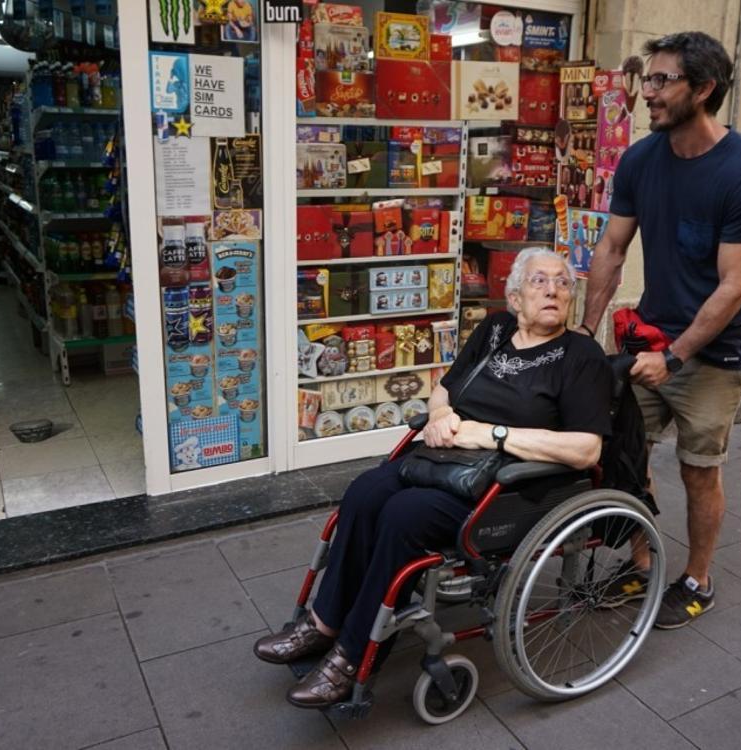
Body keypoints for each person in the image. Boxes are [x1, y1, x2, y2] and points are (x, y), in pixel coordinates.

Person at [255, 248, 614, 708]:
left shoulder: (581, 356)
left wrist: (494, 434)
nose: (552, 290)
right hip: (447, 460)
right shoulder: (495, 330)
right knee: (365, 493)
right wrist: (441, 414)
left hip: (509, 486)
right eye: (539, 281)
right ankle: (322, 623)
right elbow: (446, 387)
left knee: (404, 516)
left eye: (562, 283)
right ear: (515, 296)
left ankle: (355, 651)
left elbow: (587, 449)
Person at [578, 31, 741, 629]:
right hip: (649, 336)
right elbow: (612, 249)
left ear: (704, 89)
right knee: (621, 452)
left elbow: (733, 286)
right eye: (648, 79)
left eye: (662, 81)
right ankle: (640, 562)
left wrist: (676, 356)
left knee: (698, 468)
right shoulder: (642, 159)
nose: (649, 92)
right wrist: (585, 336)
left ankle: (697, 577)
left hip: (715, 354)